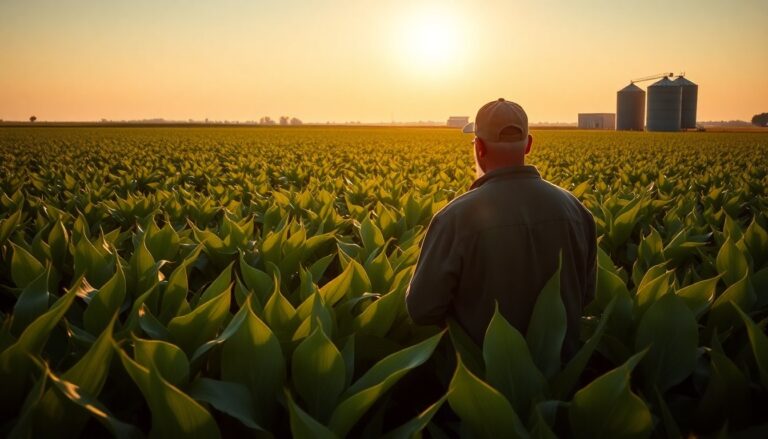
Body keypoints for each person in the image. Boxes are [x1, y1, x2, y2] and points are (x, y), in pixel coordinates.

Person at [405, 98, 596, 357]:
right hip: (562, 378)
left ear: (479, 147)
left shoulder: (455, 217)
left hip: (483, 379)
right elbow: (586, 296)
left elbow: (421, 309)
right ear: (528, 144)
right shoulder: (576, 211)